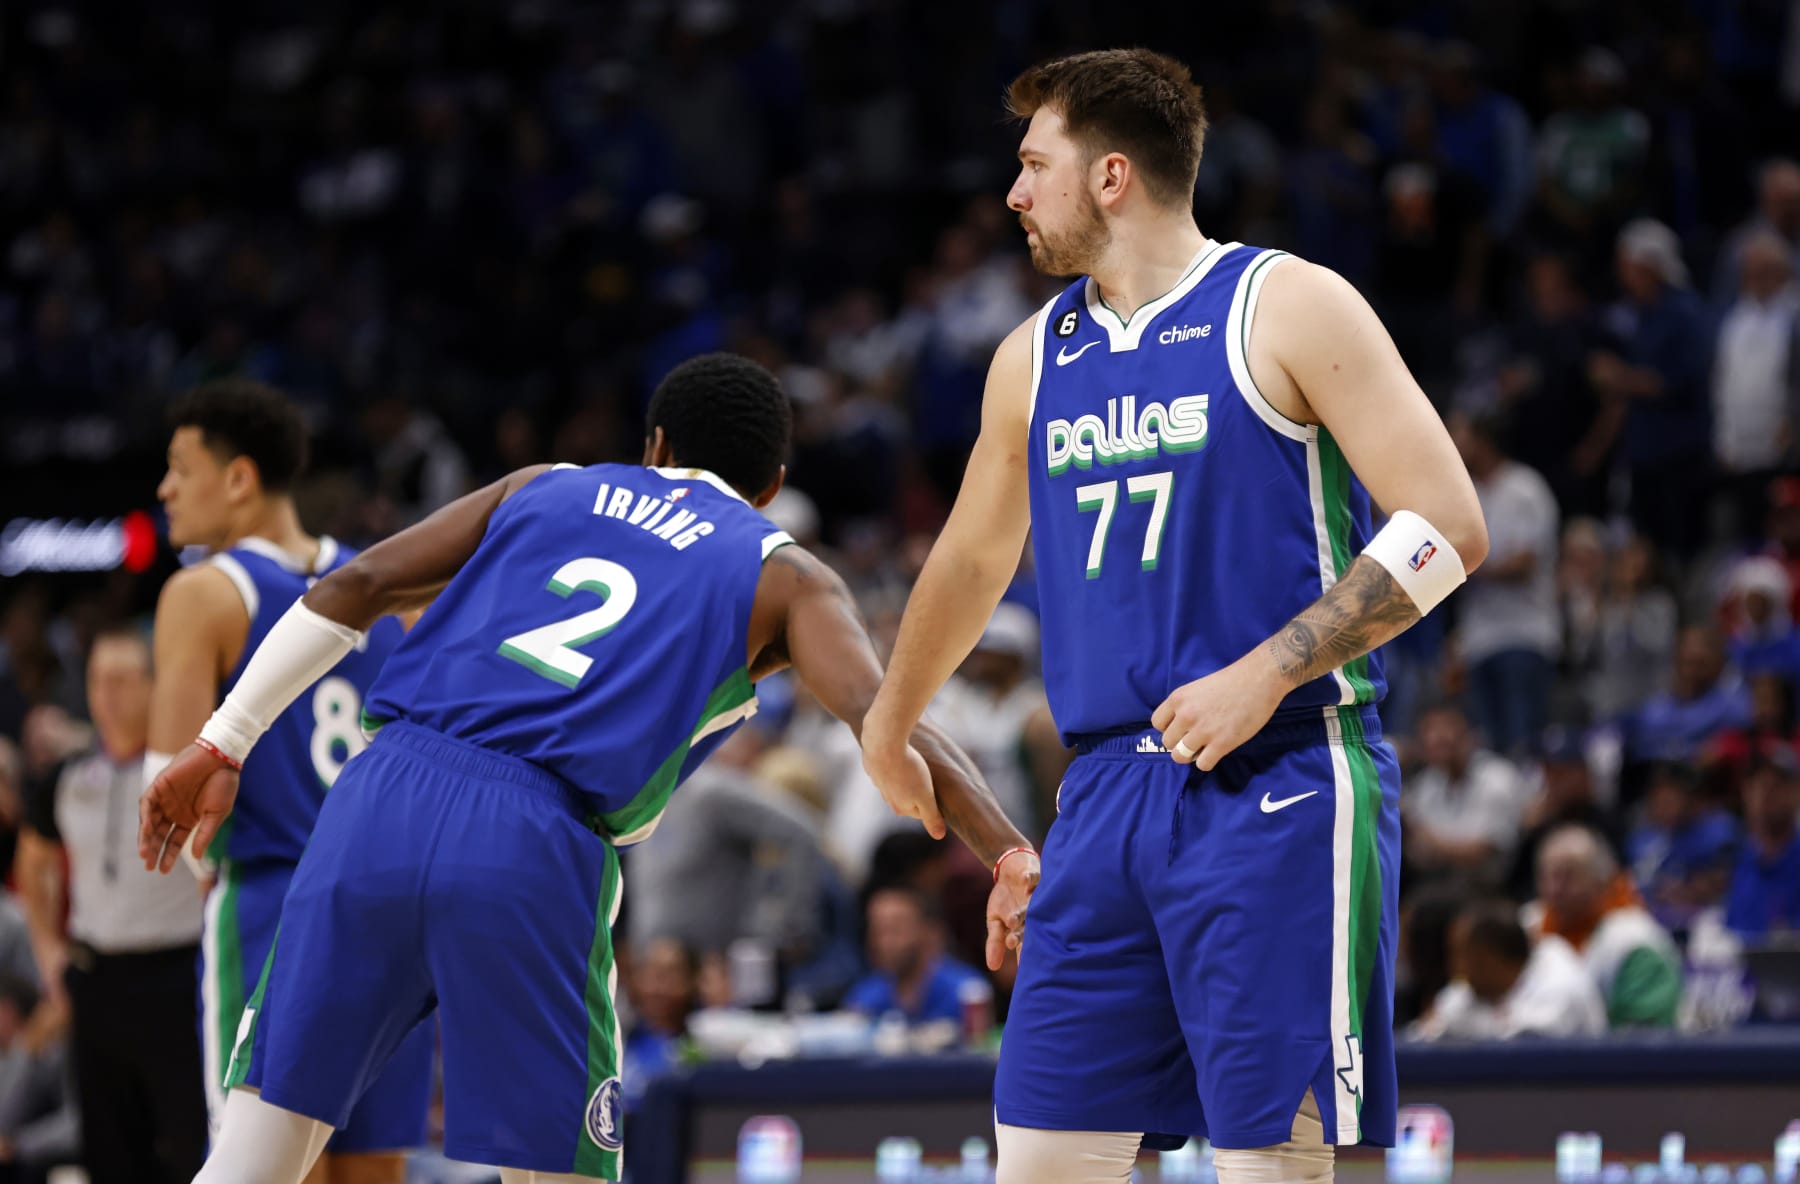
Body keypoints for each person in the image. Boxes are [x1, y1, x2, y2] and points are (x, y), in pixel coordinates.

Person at [139, 353, 1036, 1184]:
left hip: (377, 793)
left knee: (254, 1155)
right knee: (556, 1167)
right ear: (770, 489)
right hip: (535, 834)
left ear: (654, 447)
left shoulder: (547, 486)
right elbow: (895, 720)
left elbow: (358, 582)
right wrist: (1004, 852)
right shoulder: (785, 574)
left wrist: (223, 742)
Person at [861, 49, 1488, 1183]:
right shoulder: (1032, 358)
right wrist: (890, 716)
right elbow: (970, 554)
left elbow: (1448, 525)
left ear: (1110, 177)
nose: (1013, 193)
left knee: (1270, 1162)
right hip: (1101, 794)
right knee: (1042, 1157)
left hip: (1280, 775)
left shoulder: (1287, 302)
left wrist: (1269, 670)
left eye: (1032, 165)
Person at [146, 379, 433, 1183]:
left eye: (178, 468)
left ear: (238, 478)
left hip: (275, 903)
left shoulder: (202, 592)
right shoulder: (390, 590)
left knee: (264, 1171)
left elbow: (166, 789)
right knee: (374, 1167)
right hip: (389, 906)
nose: (164, 489)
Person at [14, 628, 207, 1183]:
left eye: (123, 679)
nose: (109, 694)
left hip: (176, 977)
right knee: (108, 1150)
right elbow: (33, 861)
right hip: (97, 978)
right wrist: (49, 950)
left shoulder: (185, 773)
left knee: (188, 1144)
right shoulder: (67, 777)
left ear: (153, 686)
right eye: (99, 680)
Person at [1525, 825, 1682, 1029]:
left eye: (1568, 877)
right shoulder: (1525, 926)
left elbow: (1645, 1041)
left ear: (1601, 880)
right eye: (1547, 877)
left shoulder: (1635, 942)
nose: (1555, 889)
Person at [1408, 902, 1606, 1041]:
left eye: (1459, 954)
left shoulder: (1560, 982)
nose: (1452, 966)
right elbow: (1426, 1034)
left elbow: (1525, 1045)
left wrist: (1463, 1030)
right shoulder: (1472, 987)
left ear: (1488, 959)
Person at [842, 885, 988, 1027]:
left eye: (895, 930)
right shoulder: (864, 995)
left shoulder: (967, 992)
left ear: (929, 932)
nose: (885, 942)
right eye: (877, 931)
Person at [1725, 745, 1800, 939]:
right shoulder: (1742, 861)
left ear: (1796, 792)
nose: (1764, 794)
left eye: (1775, 786)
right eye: (1755, 785)